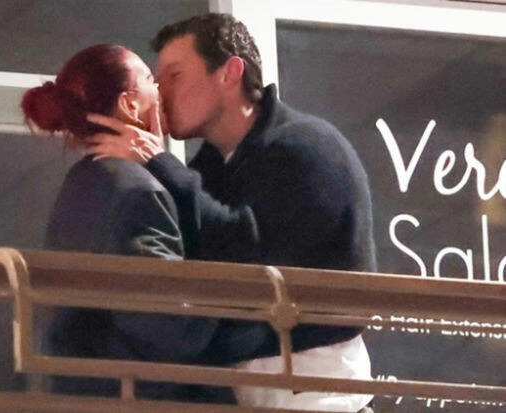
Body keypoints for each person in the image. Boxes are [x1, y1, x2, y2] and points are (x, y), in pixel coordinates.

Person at [86, 14, 377, 412]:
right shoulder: (212, 164)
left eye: (175, 75)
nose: (162, 92)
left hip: (311, 388)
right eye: (157, 80)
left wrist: (158, 161)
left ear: (230, 72)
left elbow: (245, 249)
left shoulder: (306, 147)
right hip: (250, 381)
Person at [20, 44, 220, 401]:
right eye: (149, 79)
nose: (159, 89)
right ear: (129, 104)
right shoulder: (137, 192)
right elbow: (166, 326)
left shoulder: (81, 184)